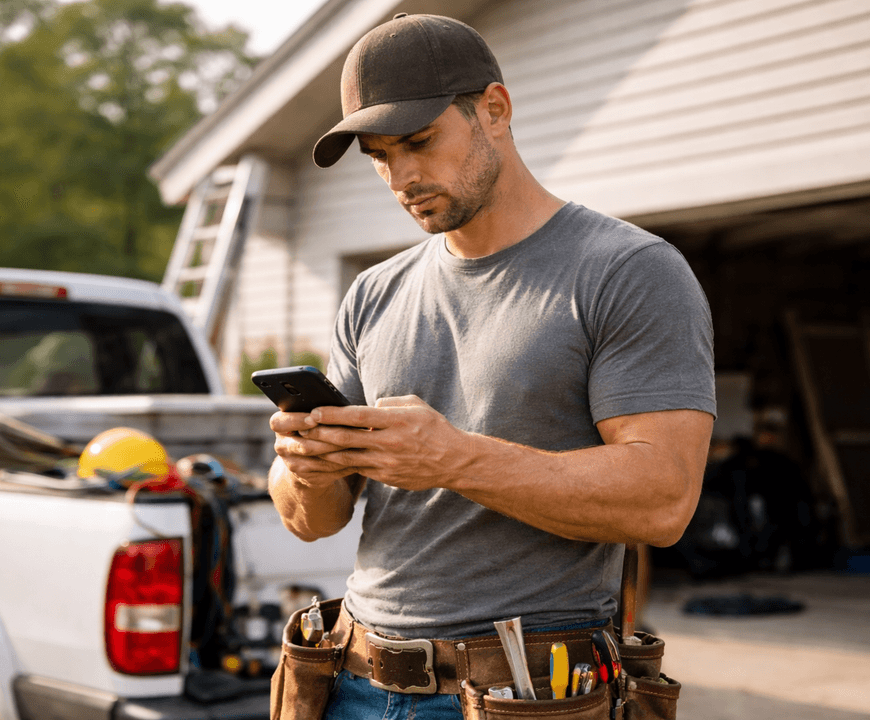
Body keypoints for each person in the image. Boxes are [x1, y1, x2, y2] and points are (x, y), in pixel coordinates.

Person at [267, 13, 715, 719]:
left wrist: (455, 459)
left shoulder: (628, 271)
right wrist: (304, 468)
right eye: (379, 156)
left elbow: (664, 500)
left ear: (495, 111)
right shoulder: (373, 294)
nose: (402, 177)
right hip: (349, 679)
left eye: (419, 141)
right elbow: (313, 521)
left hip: (520, 694)